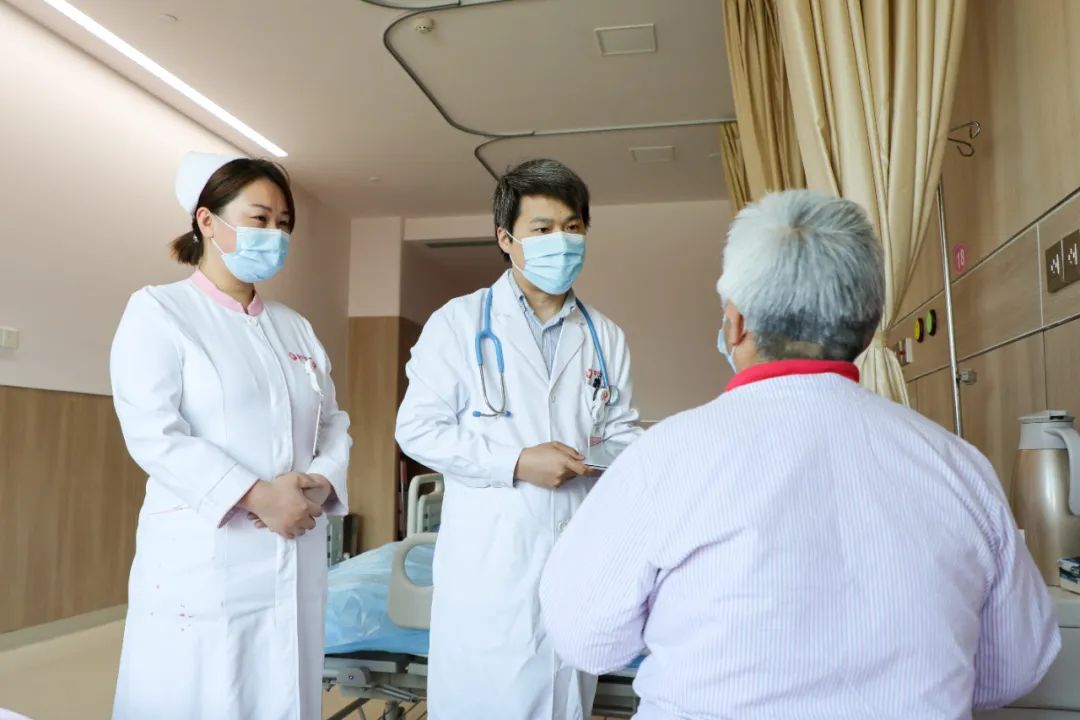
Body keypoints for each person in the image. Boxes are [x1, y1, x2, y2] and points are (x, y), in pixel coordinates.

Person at [539, 189, 1061, 719]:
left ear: (736, 324)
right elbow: (1012, 670)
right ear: (867, 326)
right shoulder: (958, 466)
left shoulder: (664, 457)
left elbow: (587, 641)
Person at [395, 158, 643, 719]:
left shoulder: (604, 335)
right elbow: (417, 429)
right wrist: (516, 462)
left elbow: (622, 429)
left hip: (576, 550)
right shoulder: (459, 323)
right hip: (491, 565)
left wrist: (603, 458)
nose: (563, 240)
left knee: (563, 699)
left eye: (573, 227)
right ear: (506, 239)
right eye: (543, 228)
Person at [110, 152, 352, 719]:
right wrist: (257, 495)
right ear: (207, 221)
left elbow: (333, 420)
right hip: (206, 554)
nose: (275, 235)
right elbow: (153, 432)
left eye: (284, 224)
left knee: (282, 690)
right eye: (260, 219)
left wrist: (320, 481)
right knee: (204, 692)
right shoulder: (160, 310)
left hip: (295, 545)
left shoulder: (295, 327)